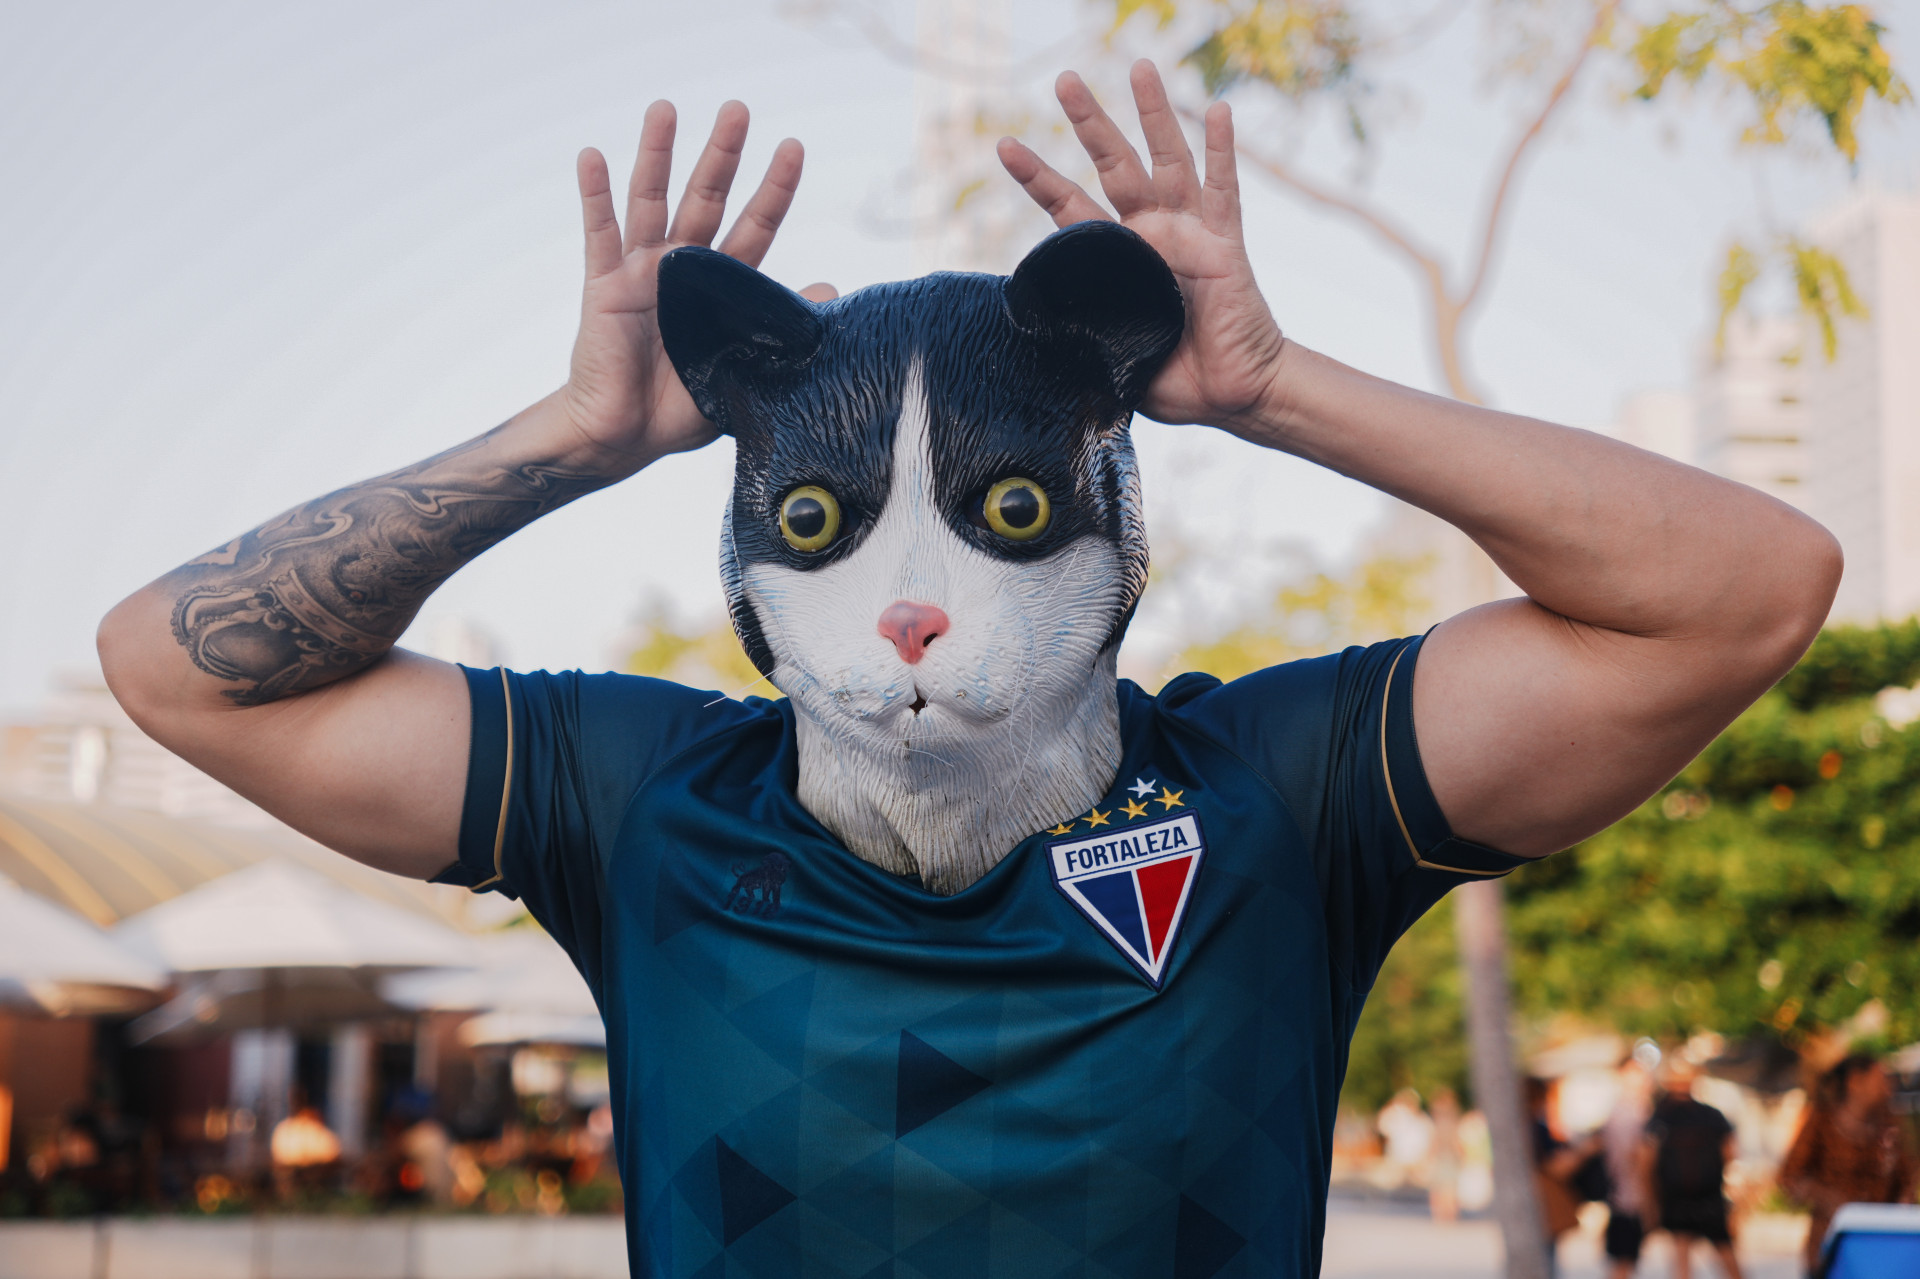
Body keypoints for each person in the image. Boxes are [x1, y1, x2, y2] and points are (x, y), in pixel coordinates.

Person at [96, 59, 1841, 1277]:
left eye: (1008, 506)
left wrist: (1273, 385)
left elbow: (1749, 588)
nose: (910, 605)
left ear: (1105, 494)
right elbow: (177, 670)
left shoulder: (1284, 796)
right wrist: (574, 435)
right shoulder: (636, 798)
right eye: (822, 520)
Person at [1778, 1054, 1919, 1276]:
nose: (1887, 1086)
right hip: (1830, 1245)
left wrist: (1901, 1212)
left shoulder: (1890, 1123)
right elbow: (1790, 1176)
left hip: (1880, 1247)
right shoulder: (1822, 1120)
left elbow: (1908, 1178)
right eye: (1880, 1079)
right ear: (1855, 1081)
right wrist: (1831, 1201)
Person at [1648, 1060, 1743, 1279]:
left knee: (1712, 1256)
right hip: (1685, 1198)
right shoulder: (1664, 1116)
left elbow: (1729, 1154)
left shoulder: (1700, 1115)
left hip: (1701, 1197)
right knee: (1690, 1258)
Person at [1601, 1058, 1657, 1278]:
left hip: (1626, 1196)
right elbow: (1636, 1159)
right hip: (1629, 1198)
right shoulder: (1630, 1112)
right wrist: (1649, 1201)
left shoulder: (1637, 1109)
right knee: (1623, 1263)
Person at [1428, 1087, 1465, 1224]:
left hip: (1443, 1157)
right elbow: (1458, 1142)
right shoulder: (1454, 1123)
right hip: (1450, 1157)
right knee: (1450, 1188)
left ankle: (1440, 1214)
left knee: (1440, 1187)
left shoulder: (1439, 1124)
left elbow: (1434, 1142)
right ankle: (1450, 1214)